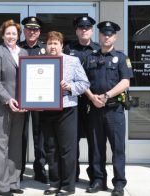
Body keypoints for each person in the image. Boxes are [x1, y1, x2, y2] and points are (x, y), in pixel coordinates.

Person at [84, 21, 133, 196]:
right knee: (96, 147)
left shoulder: (121, 57)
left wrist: (106, 96)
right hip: (95, 109)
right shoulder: (90, 57)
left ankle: (119, 183)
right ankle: (98, 180)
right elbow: (83, 82)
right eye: (104, 33)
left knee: (117, 148)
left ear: (115, 36)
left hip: (114, 110)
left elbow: (125, 82)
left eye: (110, 34)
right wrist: (92, 97)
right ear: (99, 35)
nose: (107, 36)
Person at [41, 31, 90, 196]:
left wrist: (69, 87)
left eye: (56, 43)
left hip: (67, 109)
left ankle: (68, 186)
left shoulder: (72, 61)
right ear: (46, 46)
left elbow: (84, 83)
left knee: (67, 149)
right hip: (47, 109)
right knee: (51, 148)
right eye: (50, 43)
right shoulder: (39, 62)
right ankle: (54, 183)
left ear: (62, 45)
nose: (53, 46)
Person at [0, 19, 28, 196]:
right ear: (3, 35)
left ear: (18, 35)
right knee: (0, 146)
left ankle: (13, 182)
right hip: (0, 106)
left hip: (20, 106)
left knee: (15, 144)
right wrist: (8, 99)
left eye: (14, 33)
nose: (11, 36)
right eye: (8, 33)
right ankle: (1, 187)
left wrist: (29, 100)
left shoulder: (24, 52)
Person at [64, 16, 100, 183]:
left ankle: (95, 176)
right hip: (72, 101)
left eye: (87, 27)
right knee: (72, 140)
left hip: (92, 103)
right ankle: (73, 174)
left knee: (94, 140)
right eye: (81, 27)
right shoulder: (68, 48)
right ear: (76, 30)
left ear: (92, 30)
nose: (84, 30)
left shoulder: (99, 50)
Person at [18, 16, 48, 183]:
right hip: (20, 98)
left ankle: (40, 169)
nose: (32, 31)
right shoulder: (16, 48)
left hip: (39, 98)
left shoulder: (44, 49)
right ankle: (19, 170)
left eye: (35, 29)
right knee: (20, 135)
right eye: (29, 29)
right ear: (24, 31)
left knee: (40, 135)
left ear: (39, 32)